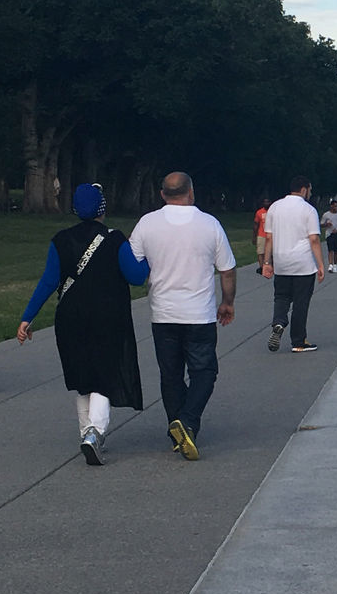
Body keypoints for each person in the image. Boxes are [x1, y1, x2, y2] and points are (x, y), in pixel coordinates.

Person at [16, 184, 148, 465]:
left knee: (82, 376)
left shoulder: (60, 240)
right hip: (108, 315)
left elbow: (48, 282)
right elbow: (136, 277)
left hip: (70, 317)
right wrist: (146, 258)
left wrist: (28, 317)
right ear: (102, 207)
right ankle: (94, 433)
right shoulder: (114, 240)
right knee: (105, 372)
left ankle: (86, 434)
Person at [128, 172, 236, 461]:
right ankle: (187, 422)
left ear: (163, 194)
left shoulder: (147, 224)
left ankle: (178, 426)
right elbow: (226, 269)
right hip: (198, 313)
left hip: (163, 312)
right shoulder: (209, 224)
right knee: (205, 372)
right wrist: (227, 302)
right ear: (191, 191)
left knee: (171, 374)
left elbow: (132, 265)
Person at [263, 175, 325, 353]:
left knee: (281, 297)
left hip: (282, 261)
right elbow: (313, 239)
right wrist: (320, 264)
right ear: (304, 189)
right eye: (310, 190)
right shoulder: (308, 210)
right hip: (303, 263)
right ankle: (298, 341)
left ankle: (279, 322)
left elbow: (269, 237)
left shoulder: (275, 207)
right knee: (301, 302)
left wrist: (267, 262)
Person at [321, 199, 337, 274]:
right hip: (329, 234)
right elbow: (321, 224)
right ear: (331, 206)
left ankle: (335, 264)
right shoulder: (326, 215)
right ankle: (330, 264)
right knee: (330, 249)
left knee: (336, 250)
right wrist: (326, 224)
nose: (336, 208)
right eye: (334, 206)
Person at [253, 198, 270, 274]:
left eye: (268, 202)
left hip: (270, 235)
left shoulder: (272, 211)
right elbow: (256, 225)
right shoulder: (259, 212)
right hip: (261, 234)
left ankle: (270, 267)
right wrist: (254, 236)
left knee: (271, 253)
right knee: (260, 252)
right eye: (265, 202)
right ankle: (261, 267)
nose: (266, 203)